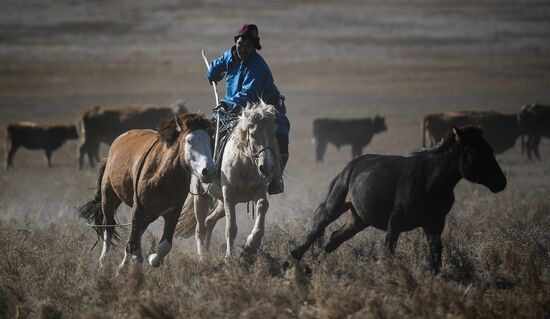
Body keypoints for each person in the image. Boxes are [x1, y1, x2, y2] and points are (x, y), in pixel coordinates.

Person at [206, 23, 289, 194]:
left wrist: (227, 104)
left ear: (254, 48)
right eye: (241, 44)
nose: (243, 48)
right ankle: (208, 170)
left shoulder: (258, 65)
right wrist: (213, 74)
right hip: (234, 108)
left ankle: (274, 178)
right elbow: (214, 68)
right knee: (207, 128)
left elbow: (249, 94)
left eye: (248, 46)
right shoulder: (229, 56)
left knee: (280, 131)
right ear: (236, 42)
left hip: (263, 108)